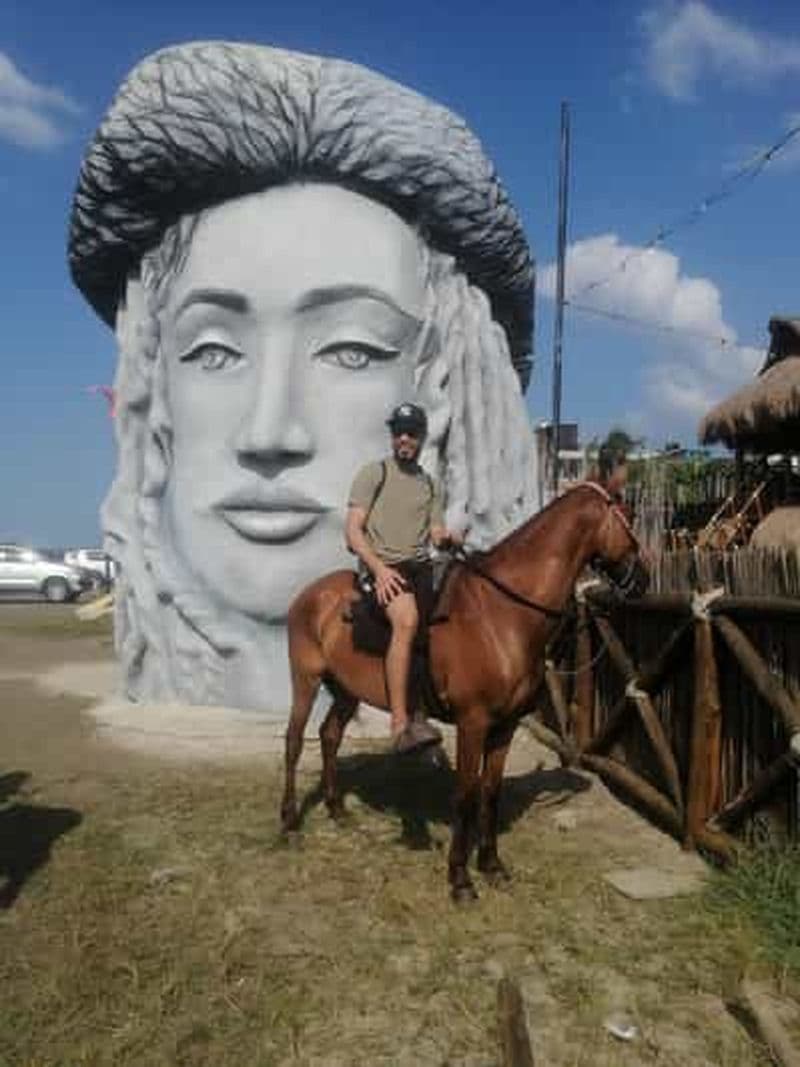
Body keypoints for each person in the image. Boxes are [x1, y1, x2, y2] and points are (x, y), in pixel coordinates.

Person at [67, 41, 540, 714]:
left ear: (445, 380)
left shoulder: (416, 483)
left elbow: (431, 529)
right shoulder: (373, 481)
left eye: (351, 349)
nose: (269, 432)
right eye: (213, 350)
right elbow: (359, 529)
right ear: (153, 384)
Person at [347, 403, 462, 752]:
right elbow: (352, 531)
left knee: (451, 618)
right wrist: (379, 570)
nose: (404, 438)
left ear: (422, 437)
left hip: (420, 567)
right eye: (399, 431)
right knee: (408, 620)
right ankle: (399, 724)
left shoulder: (430, 484)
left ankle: (425, 709)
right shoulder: (374, 473)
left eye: (411, 432)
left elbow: (436, 530)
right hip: (382, 567)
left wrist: (447, 537)